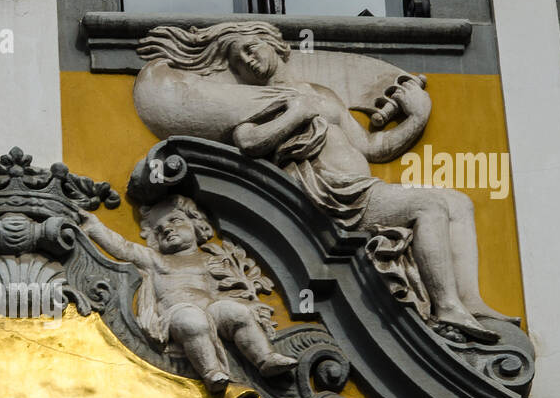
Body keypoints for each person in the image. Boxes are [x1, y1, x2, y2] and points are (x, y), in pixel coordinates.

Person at [138, 21, 517, 344]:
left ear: (275, 45)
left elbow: (373, 146)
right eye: (238, 61)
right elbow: (248, 141)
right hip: (336, 199)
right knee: (428, 205)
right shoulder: (258, 100)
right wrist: (296, 113)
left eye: (251, 49)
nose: (249, 61)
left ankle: (470, 300)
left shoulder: (324, 94)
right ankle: (446, 307)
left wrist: (418, 114)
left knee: (457, 201)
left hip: (361, 189)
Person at [80, 196, 297, 391]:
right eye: (159, 229)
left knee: (236, 312)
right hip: (176, 312)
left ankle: (265, 359)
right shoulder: (156, 259)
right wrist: (95, 227)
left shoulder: (209, 258)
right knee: (192, 322)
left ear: (195, 225)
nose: (166, 229)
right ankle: (211, 372)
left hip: (211, 307)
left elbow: (232, 287)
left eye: (175, 221)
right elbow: (124, 248)